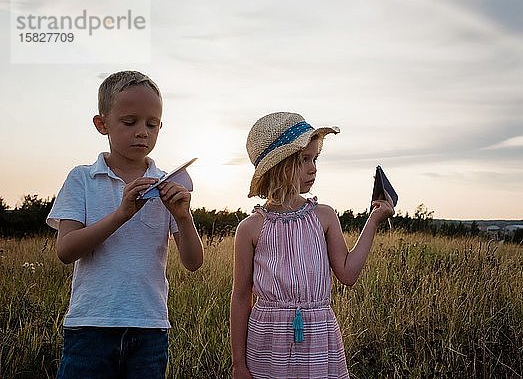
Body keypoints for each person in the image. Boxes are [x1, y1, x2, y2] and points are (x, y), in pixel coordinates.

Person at [46, 70, 204, 378]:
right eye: (129, 122)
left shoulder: (166, 185)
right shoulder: (82, 178)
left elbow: (194, 263)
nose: (142, 132)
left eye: (152, 124)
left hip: (149, 327)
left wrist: (184, 217)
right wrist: (121, 214)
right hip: (91, 325)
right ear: (102, 124)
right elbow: (65, 251)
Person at [230, 112, 394, 378]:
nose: (313, 167)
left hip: (318, 338)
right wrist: (239, 364)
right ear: (278, 165)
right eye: (304, 159)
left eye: (315, 158)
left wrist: (373, 221)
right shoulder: (250, 229)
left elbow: (348, 273)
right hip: (267, 344)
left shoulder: (324, 216)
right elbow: (240, 297)